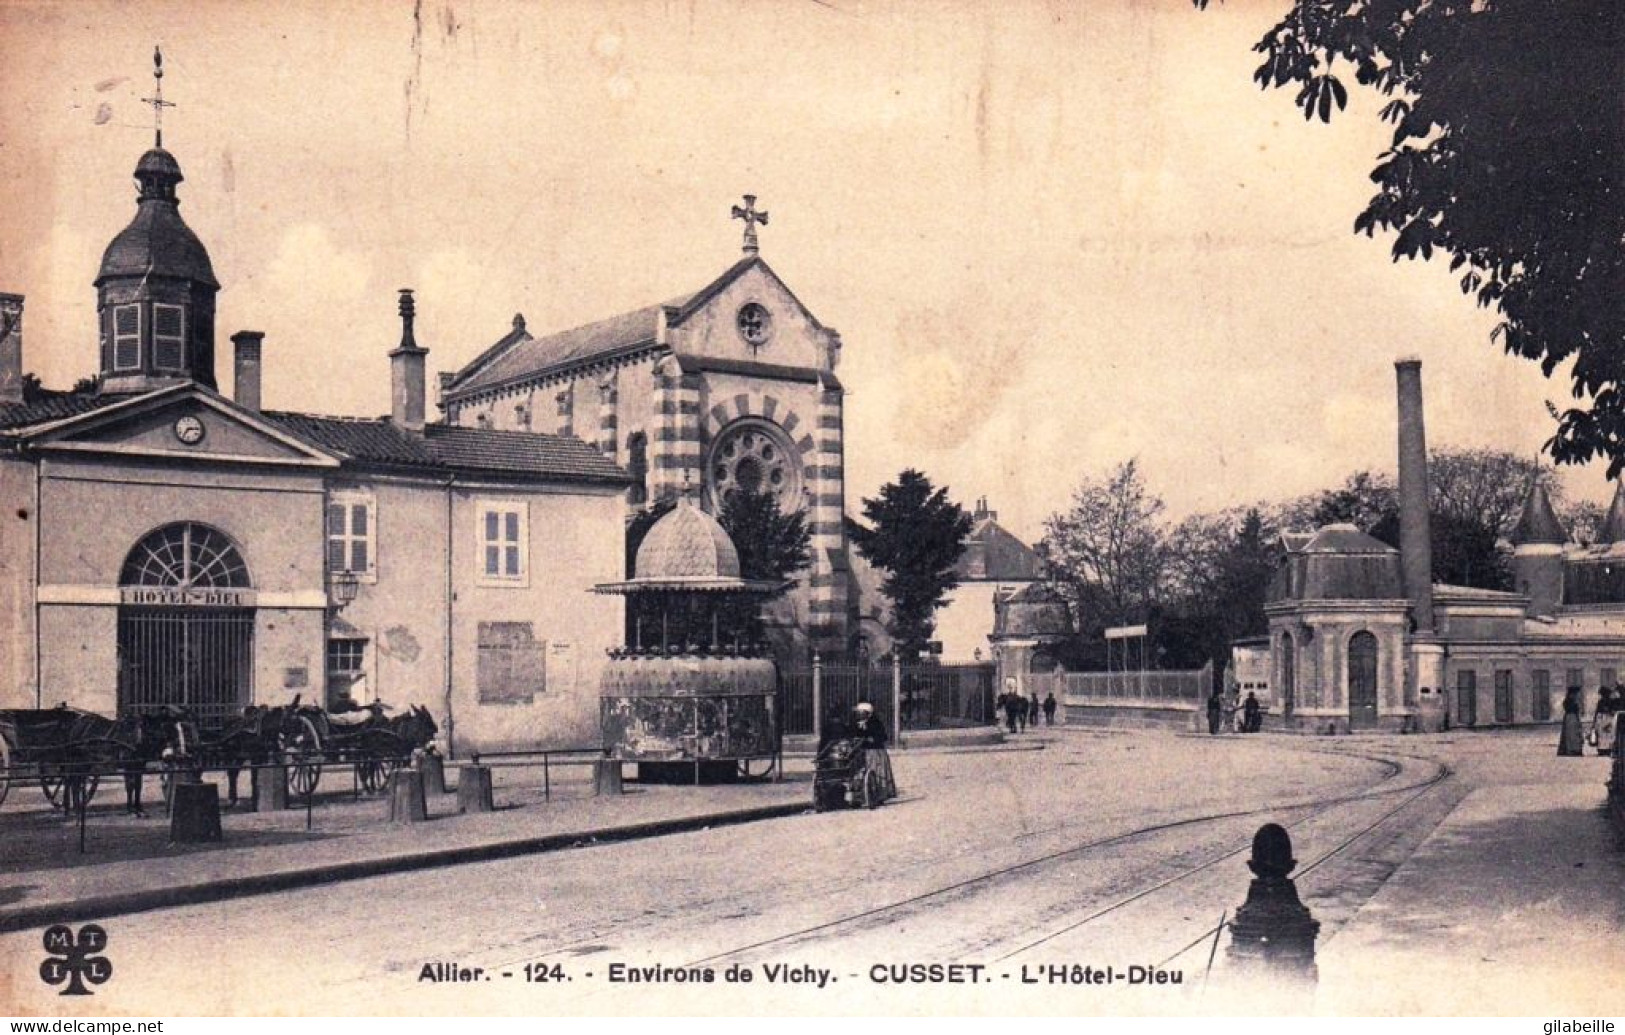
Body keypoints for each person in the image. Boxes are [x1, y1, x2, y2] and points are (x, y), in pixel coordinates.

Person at [849, 702, 897, 802]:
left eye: (861, 713)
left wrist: (871, 738)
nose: (859, 715)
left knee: (877, 771)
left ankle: (880, 794)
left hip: (875, 752)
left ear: (868, 713)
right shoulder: (857, 724)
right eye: (858, 713)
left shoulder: (875, 723)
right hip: (862, 751)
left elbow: (882, 737)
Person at [1558, 687, 1586, 756]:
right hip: (1571, 718)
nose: (1576, 695)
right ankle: (1573, 750)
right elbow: (1575, 711)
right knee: (1572, 735)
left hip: (1569, 718)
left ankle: (1572, 749)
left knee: (1572, 735)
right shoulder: (1571, 702)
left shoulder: (1567, 702)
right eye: (1575, 694)